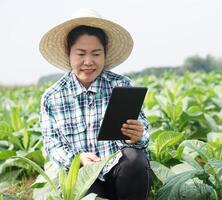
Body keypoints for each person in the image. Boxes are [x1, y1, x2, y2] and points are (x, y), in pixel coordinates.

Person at [39, 9, 151, 199]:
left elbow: (144, 133)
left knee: (135, 160)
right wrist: (77, 159)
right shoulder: (52, 97)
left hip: (120, 170)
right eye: (81, 53)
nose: (88, 62)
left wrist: (137, 136)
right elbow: (51, 145)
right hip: (82, 175)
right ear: (69, 53)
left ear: (105, 54)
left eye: (96, 54)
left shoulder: (121, 85)